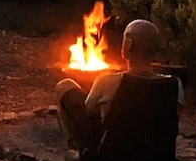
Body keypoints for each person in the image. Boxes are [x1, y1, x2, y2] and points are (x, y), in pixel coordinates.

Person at [55, 19, 184, 151]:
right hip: (155, 160)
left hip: (113, 158)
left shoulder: (106, 81)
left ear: (129, 44)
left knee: (64, 86)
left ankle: (80, 152)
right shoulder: (174, 85)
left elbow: (89, 112)